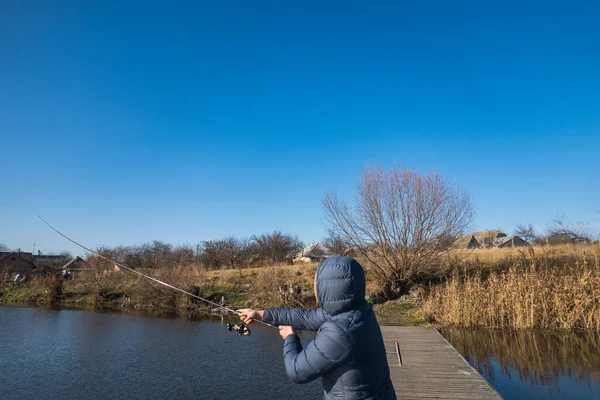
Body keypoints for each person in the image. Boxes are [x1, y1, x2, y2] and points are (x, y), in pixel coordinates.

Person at [238, 256, 397, 400]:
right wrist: (261, 314)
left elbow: (297, 371)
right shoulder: (360, 310)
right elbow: (305, 317)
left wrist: (290, 337)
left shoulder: (340, 332)